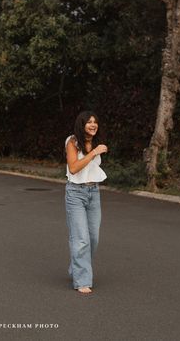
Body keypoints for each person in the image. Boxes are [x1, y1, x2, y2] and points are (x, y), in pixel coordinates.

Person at [65, 111, 108, 294]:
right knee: (81, 239)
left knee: (93, 238)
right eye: (89, 122)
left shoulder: (96, 142)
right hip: (75, 193)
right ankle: (82, 279)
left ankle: (77, 267)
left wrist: (96, 150)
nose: (93, 125)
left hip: (94, 192)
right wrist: (94, 153)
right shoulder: (72, 142)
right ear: (81, 124)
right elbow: (74, 168)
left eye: (95, 122)